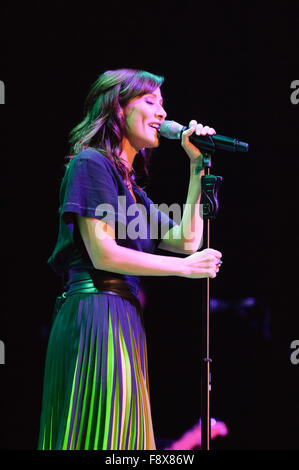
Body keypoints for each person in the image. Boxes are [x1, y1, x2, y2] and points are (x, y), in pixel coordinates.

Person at [38, 68, 222, 451]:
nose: (162, 113)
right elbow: (103, 253)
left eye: (163, 104)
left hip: (123, 316)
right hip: (95, 309)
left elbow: (188, 238)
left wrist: (196, 166)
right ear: (118, 110)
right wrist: (185, 269)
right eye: (150, 101)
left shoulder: (131, 190)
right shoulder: (91, 163)